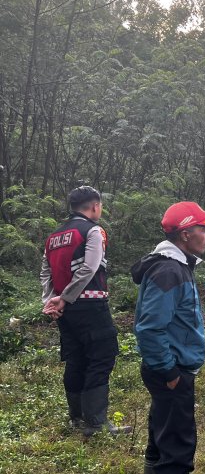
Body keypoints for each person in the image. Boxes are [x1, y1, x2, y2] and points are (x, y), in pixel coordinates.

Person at [131, 201, 205, 474]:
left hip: (171, 371)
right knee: (177, 446)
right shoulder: (170, 271)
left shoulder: (176, 266)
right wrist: (170, 372)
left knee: (161, 440)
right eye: (203, 229)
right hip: (171, 373)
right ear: (185, 234)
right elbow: (150, 328)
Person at [40, 185, 130, 437]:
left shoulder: (53, 237)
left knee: (76, 358)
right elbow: (89, 268)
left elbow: (45, 272)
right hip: (90, 305)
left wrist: (51, 301)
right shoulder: (93, 231)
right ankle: (96, 423)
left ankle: (77, 418)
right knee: (102, 357)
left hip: (65, 311)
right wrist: (64, 298)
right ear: (95, 206)